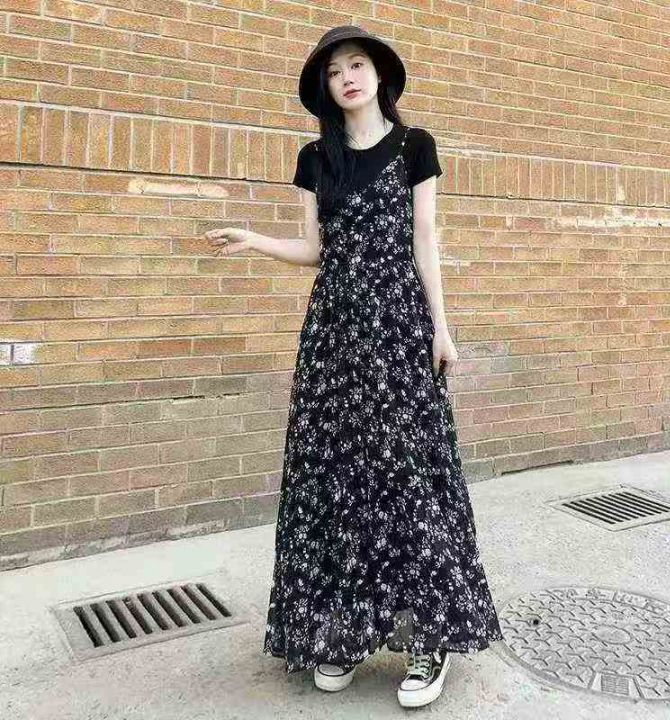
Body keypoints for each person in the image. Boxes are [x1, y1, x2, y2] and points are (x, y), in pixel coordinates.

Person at [205, 24, 504, 709]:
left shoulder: (414, 146)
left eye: (358, 64)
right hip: (334, 338)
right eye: (335, 69)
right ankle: (338, 629)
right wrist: (253, 238)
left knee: (408, 475)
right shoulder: (316, 158)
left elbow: (424, 239)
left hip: (399, 330)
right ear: (326, 87)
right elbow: (315, 250)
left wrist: (441, 328)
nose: (348, 76)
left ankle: (429, 639)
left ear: (379, 76)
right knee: (335, 478)